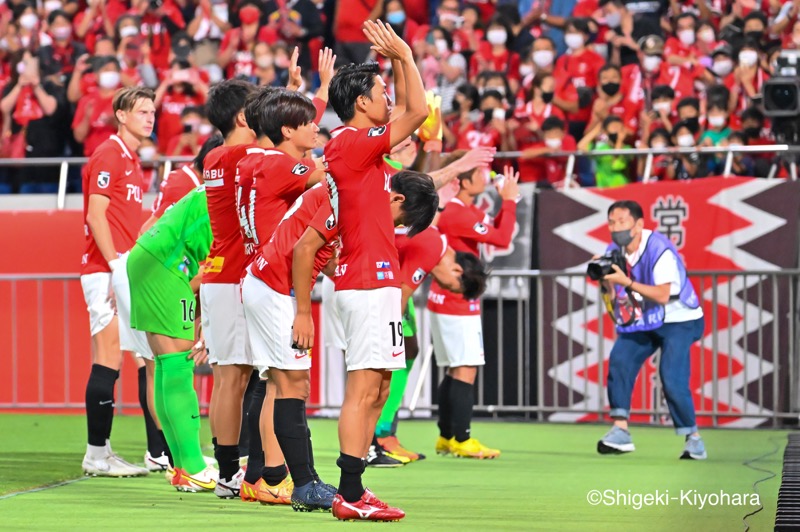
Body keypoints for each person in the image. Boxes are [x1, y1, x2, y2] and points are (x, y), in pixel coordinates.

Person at [296, 20, 430, 522]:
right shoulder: (350, 143)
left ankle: (356, 486)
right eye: (379, 93)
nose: (387, 100)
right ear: (359, 104)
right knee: (362, 389)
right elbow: (417, 110)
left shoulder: (359, 148)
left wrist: (395, 62)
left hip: (372, 280)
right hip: (364, 282)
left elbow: (408, 116)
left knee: (376, 386)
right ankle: (349, 494)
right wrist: (406, 55)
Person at [242, 181, 340, 512]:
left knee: (277, 384)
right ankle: (304, 482)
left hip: (265, 281)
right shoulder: (345, 194)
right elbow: (302, 249)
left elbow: (318, 251)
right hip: (276, 288)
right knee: (293, 385)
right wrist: (303, 312)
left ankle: (271, 478)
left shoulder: (333, 190)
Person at [79, 86, 155, 477]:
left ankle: (106, 451)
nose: (150, 117)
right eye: (142, 110)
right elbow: (96, 216)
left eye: (152, 111)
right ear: (121, 115)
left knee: (139, 357)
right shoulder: (109, 154)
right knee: (108, 356)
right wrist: (114, 266)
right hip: (107, 270)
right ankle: (96, 454)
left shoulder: (131, 159)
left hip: (120, 268)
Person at [596, 200, 707, 460]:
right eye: (611, 222)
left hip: (680, 318)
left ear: (638, 225)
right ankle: (620, 430)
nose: (615, 227)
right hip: (647, 319)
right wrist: (605, 282)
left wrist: (628, 282)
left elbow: (665, 294)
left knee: (672, 375)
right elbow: (614, 296)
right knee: (621, 359)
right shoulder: (613, 250)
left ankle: (694, 439)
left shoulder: (659, 250)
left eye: (622, 221)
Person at [127, 185, 218, 492]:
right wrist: (206, 324)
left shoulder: (206, 190)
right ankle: (193, 466)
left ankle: (181, 466)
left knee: (166, 365)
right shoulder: (232, 196)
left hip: (148, 257)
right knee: (179, 365)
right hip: (167, 267)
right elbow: (213, 272)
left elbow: (149, 225)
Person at [374, 226, 488, 462]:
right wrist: (388, 336)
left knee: (407, 351)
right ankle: (376, 438)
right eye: (450, 286)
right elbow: (401, 296)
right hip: (368, 282)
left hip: (383, 284)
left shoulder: (436, 244)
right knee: (386, 360)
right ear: (457, 269)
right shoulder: (432, 248)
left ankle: (384, 433)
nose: (443, 286)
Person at [429, 162, 518, 460]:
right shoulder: (456, 213)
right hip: (455, 298)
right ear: (464, 182)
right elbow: (503, 239)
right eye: (480, 172)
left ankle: (446, 436)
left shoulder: (462, 211)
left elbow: (495, 229)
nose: (487, 176)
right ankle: (462, 438)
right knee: (465, 368)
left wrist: (508, 201)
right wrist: (509, 200)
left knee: (456, 368)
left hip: (448, 298)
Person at [200, 78, 259, 497]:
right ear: (243, 117)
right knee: (236, 379)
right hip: (235, 276)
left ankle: (227, 471)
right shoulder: (244, 154)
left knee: (228, 379)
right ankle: (232, 472)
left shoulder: (216, 156)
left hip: (220, 275)